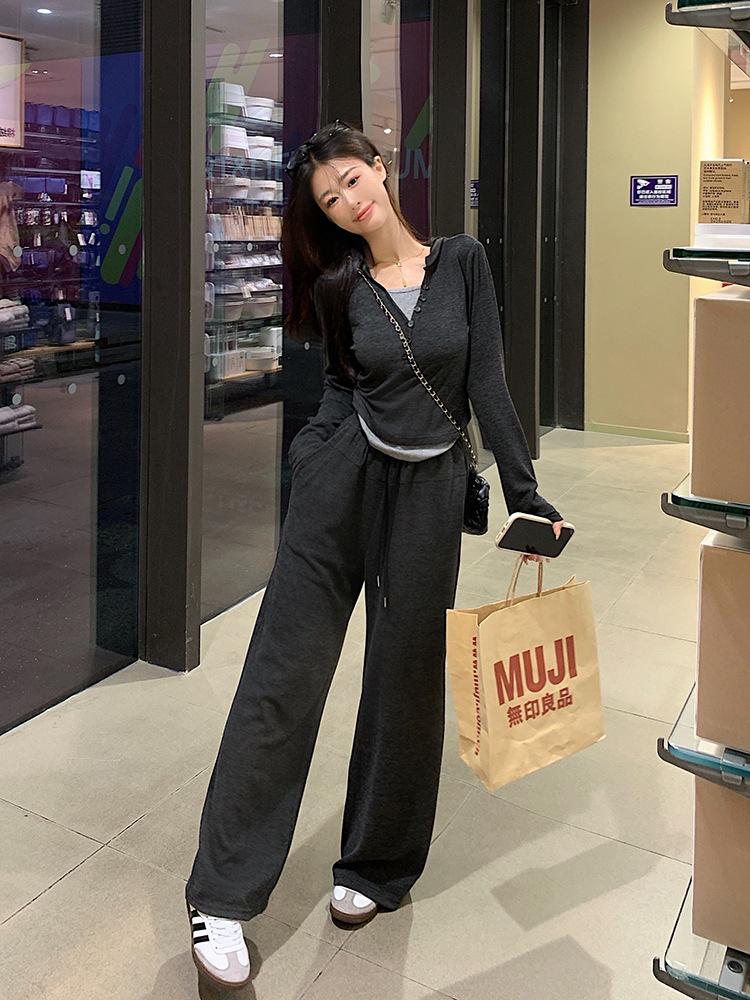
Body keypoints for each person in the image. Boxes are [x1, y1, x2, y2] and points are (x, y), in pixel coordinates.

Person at [184, 119, 566, 989]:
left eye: (352, 181)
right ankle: (221, 894)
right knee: (285, 674)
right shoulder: (339, 283)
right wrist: (312, 458)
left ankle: (376, 864)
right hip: (341, 479)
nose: (348, 203)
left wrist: (523, 489)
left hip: (430, 491)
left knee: (407, 678)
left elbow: (488, 379)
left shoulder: (462, 262)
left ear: (381, 170)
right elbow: (338, 385)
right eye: (329, 200)